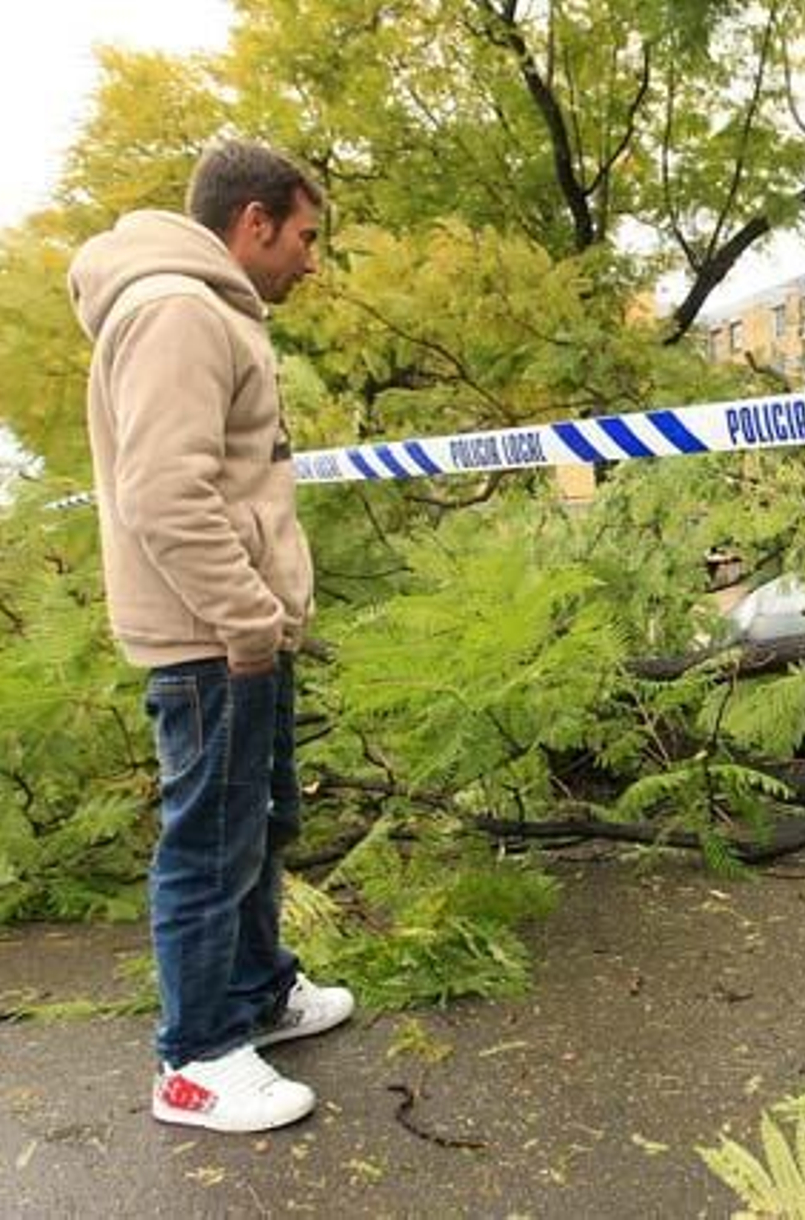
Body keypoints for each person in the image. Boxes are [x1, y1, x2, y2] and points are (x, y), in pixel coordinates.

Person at [68, 140, 353, 1134]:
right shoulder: (178, 311)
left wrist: (264, 624)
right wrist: (245, 622)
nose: (311, 261)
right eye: (305, 236)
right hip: (210, 639)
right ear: (255, 222)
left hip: (238, 634)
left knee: (259, 823)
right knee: (208, 844)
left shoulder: (205, 309)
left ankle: (259, 995)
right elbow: (163, 492)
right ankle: (194, 1058)